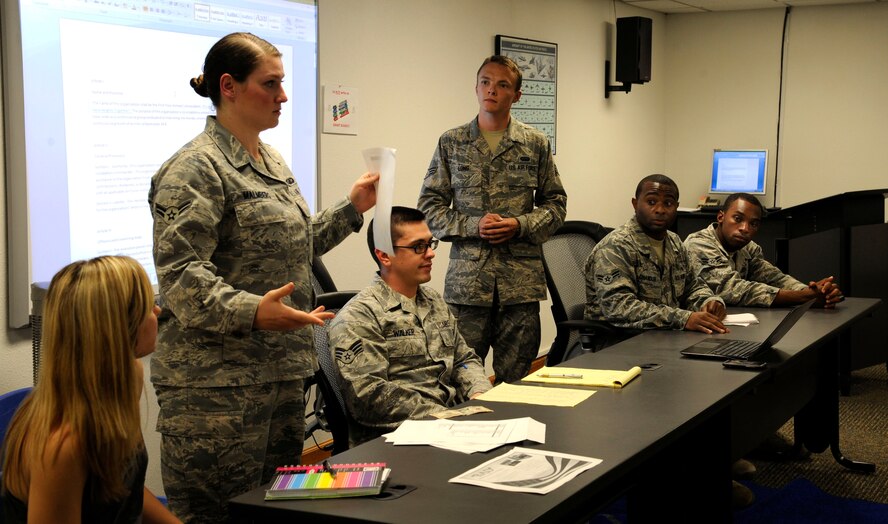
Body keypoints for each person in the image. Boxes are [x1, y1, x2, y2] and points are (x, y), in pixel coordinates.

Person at [148, 33, 377, 523]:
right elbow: (180, 277)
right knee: (220, 516)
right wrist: (253, 311)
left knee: (275, 508)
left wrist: (351, 209)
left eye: (283, 82)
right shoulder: (195, 168)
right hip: (215, 389)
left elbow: (295, 246)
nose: (283, 96)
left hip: (279, 374)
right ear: (229, 87)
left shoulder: (269, 159)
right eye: (270, 84)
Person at [417, 55, 567, 384]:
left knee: (517, 383)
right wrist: (473, 226)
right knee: (458, 379)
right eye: (485, 82)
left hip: (520, 288)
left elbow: (556, 205)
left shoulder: (535, 144)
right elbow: (429, 206)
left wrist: (520, 225)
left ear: (516, 96)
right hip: (468, 287)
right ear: (476, 88)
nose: (492, 90)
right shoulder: (452, 142)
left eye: (502, 85)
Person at [1, 256, 180, 524]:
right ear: (118, 327)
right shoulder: (64, 445)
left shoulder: (129, 376)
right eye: (148, 306)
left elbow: (122, 487)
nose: (157, 312)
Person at [328, 207, 492, 447]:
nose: (430, 254)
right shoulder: (359, 316)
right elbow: (369, 397)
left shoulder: (433, 300)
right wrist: (448, 418)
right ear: (384, 256)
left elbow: (463, 359)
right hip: (398, 441)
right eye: (418, 247)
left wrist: (479, 393)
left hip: (453, 427)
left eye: (430, 244)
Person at [584, 174, 728, 335]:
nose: (660, 210)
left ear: (676, 207)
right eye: (651, 202)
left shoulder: (674, 242)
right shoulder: (615, 246)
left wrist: (709, 301)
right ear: (635, 203)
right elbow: (619, 307)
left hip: (664, 335)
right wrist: (684, 318)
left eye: (668, 203)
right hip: (616, 341)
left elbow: (693, 286)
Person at [684, 192, 844, 308]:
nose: (744, 228)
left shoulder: (749, 248)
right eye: (738, 219)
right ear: (721, 217)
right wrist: (804, 297)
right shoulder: (699, 244)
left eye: (753, 224)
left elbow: (775, 278)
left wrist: (815, 291)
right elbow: (732, 288)